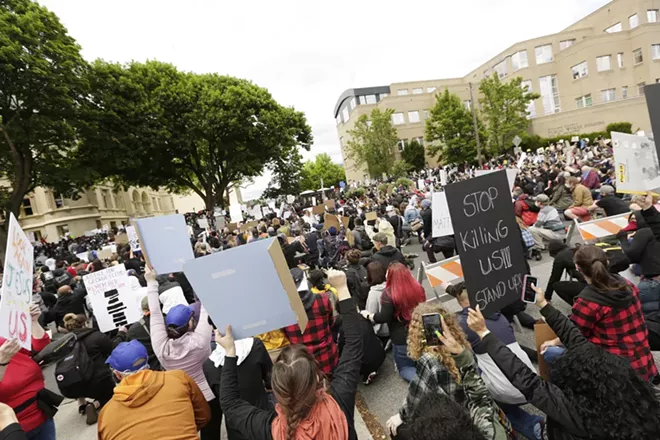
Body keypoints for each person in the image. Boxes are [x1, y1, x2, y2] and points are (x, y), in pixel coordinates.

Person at [467, 286, 660, 440]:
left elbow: (526, 380)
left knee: (515, 415)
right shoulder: (635, 393)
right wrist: (544, 305)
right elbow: (577, 340)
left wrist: (484, 333)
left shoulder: (575, 412)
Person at [217, 269, 363, 439]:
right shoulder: (339, 401)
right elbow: (354, 344)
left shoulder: (270, 429)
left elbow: (229, 403)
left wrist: (229, 352)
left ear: (276, 391)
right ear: (317, 378)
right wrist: (342, 288)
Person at [386, 303, 510, 440]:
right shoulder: (463, 349)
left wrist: (400, 416)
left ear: (416, 331)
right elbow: (477, 391)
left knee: (397, 430)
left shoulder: (428, 359)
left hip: (449, 422)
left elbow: (416, 397)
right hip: (475, 414)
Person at [541, 245, 658, 382]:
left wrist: (552, 340)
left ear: (577, 268)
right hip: (643, 363)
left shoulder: (587, 302)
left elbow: (573, 336)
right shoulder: (627, 285)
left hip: (614, 371)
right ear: (606, 262)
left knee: (549, 352)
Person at [445, 283, 542, 440]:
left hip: (506, 391)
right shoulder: (499, 316)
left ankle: (514, 418)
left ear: (458, 301)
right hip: (532, 381)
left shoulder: (462, 324)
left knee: (464, 363)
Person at [98, 340, 211, 440]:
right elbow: (204, 416)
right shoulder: (178, 378)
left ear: (117, 374)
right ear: (147, 360)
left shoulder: (106, 414)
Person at [145, 267, 215, 403]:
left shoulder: (162, 349)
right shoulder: (200, 341)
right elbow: (207, 306)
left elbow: (154, 312)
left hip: (183, 398)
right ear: (190, 323)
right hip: (208, 394)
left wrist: (151, 282)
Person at [57, 313, 127, 425]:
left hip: (70, 387)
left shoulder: (63, 343)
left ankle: (81, 403)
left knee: (76, 371)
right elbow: (114, 349)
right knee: (110, 393)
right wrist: (121, 333)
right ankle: (93, 405)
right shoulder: (95, 336)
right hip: (97, 383)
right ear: (85, 323)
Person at [361, 262, 425, 382]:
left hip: (401, 337)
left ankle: (423, 383)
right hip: (419, 329)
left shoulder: (389, 294)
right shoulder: (417, 287)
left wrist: (369, 315)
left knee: (405, 367)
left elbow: (384, 317)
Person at [0, 305, 56, 440]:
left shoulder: (3, 331)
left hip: (41, 410)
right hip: (14, 427)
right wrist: (1, 363)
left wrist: (33, 322)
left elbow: (41, 349)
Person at [203, 337, 273, 440]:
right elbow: (270, 381)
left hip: (236, 428)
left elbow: (220, 401)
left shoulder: (209, 366)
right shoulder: (256, 346)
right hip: (263, 421)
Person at [282, 268, 338, 375]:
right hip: (328, 358)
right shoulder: (322, 299)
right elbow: (331, 323)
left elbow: (286, 336)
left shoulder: (284, 310)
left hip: (304, 367)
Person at [543, 241, 585, 306]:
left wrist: (547, 297)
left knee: (556, 286)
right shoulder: (573, 250)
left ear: (554, 253)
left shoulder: (560, 257)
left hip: (591, 287)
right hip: (600, 284)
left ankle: (579, 307)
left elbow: (554, 279)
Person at [126, 296, 162, 371]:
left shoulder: (133, 329)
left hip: (149, 367)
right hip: (170, 363)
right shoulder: (168, 321)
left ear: (143, 309)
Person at [364, 262, 389, 345]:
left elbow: (371, 315)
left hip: (381, 331)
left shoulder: (373, 293)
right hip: (393, 327)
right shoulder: (391, 287)